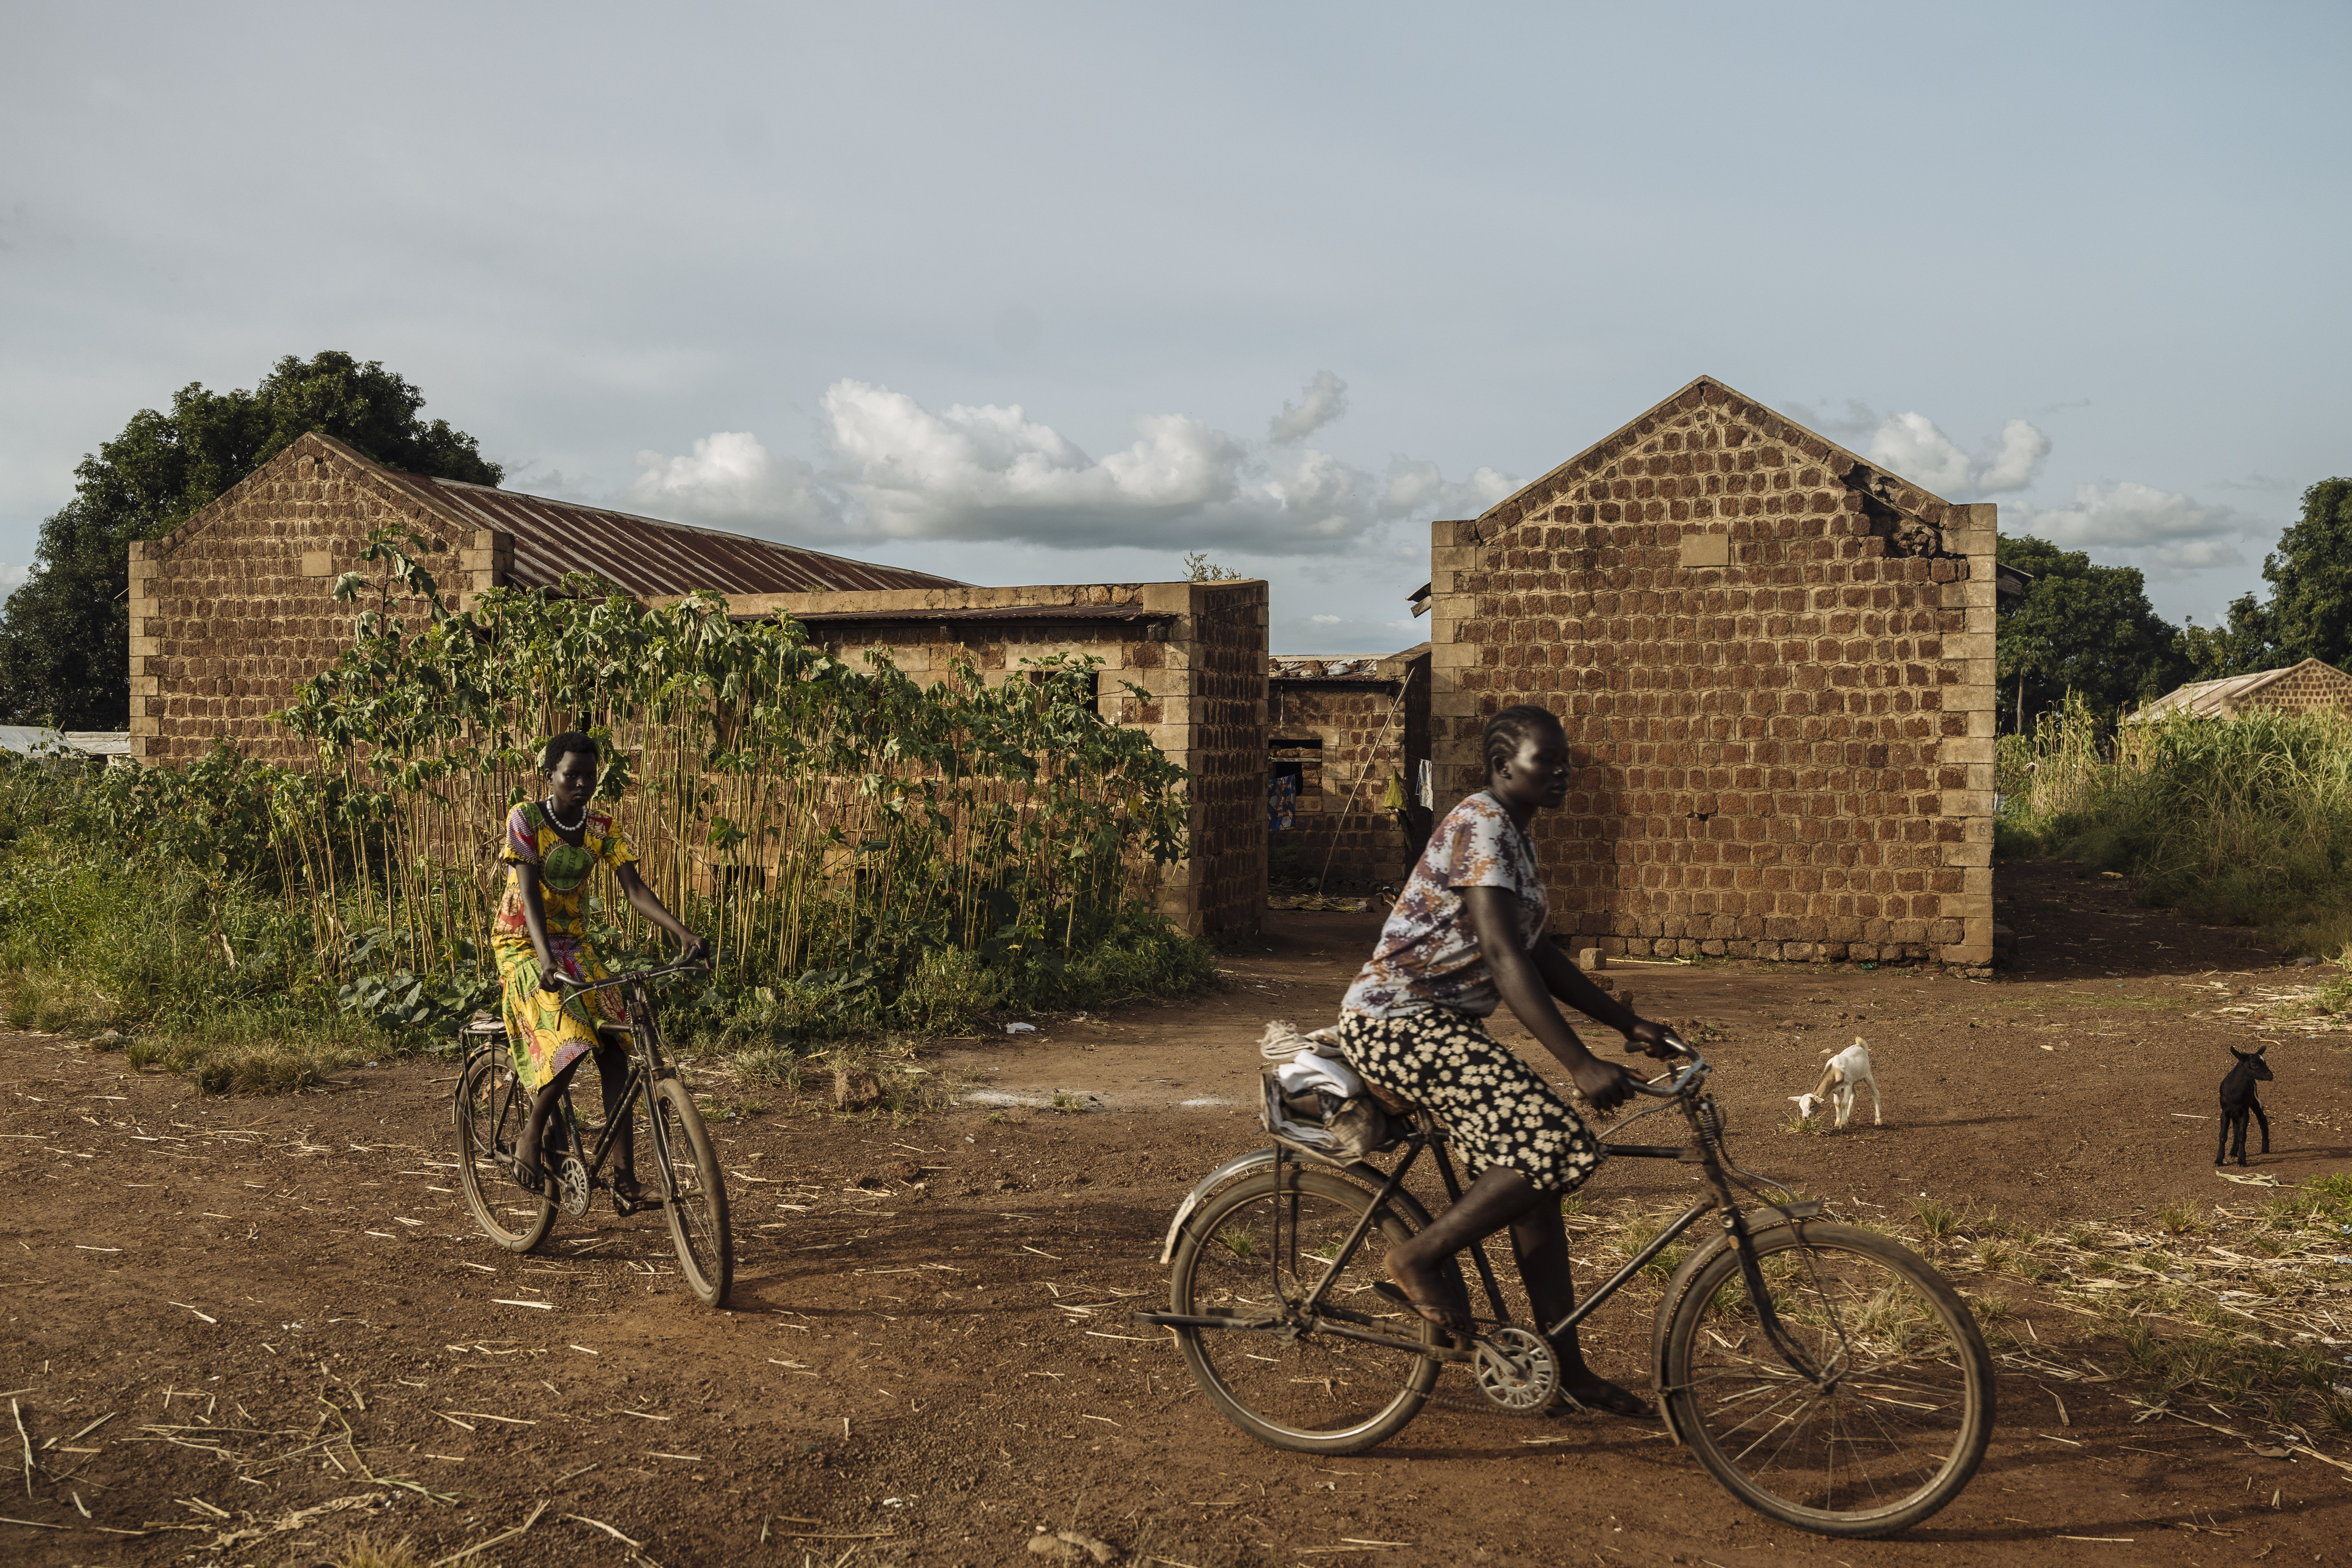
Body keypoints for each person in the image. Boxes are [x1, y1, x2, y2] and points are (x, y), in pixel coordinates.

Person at [1331, 704, 1680, 1418]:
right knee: (1556, 1141)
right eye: (1543, 761)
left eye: (1564, 762)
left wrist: (1628, 1023)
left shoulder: (1515, 835)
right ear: (1500, 766)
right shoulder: (1481, 825)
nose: (1560, 773)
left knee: (1537, 1175)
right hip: (1396, 1023)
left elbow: (1541, 952)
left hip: (1440, 1026)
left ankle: (1565, 1368)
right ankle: (1416, 1257)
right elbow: (1501, 953)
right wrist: (1580, 1063)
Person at [495, 732, 705, 1200]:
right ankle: (531, 1132)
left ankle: (624, 1180)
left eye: (590, 775)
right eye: (571, 774)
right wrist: (545, 959)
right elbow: (528, 894)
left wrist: (683, 932)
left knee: (614, 1043)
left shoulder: (603, 827)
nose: (582, 783)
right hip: (523, 944)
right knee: (571, 1038)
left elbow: (635, 890)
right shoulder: (525, 818)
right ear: (549, 775)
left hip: (574, 942)